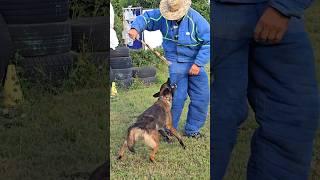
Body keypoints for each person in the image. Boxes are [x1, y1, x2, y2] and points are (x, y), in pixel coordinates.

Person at [212, 0, 319, 179]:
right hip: (218, 17)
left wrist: (284, 8)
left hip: (279, 18)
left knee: (293, 116)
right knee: (219, 118)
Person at [129, 0, 210, 138]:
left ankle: (192, 130)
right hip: (175, 64)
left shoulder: (197, 20)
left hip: (194, 62)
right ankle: (169, 129)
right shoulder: (162, 16)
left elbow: (209, 41)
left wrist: (198, 63)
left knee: (201, 97)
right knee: (177, 98)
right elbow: (147, 18)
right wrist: (135, 27)